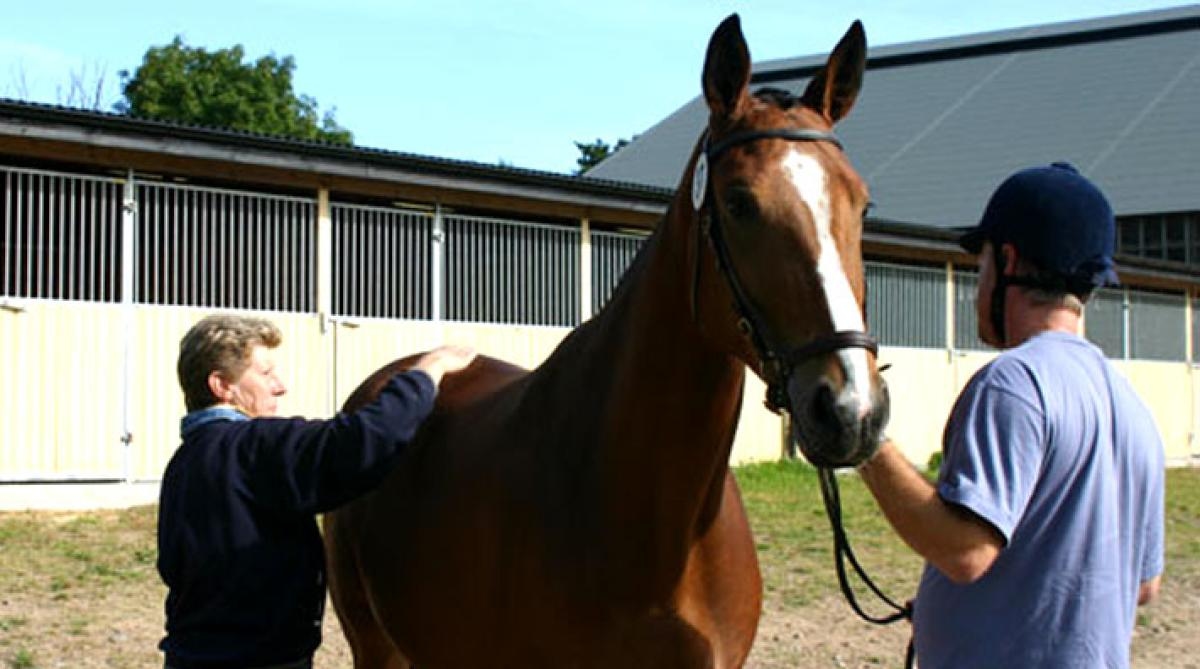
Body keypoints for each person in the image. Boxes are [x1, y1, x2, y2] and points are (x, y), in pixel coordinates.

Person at [856, 162, 1165, 668]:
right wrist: (974, 611)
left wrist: (865, 440)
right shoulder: (1131, 406)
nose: (976, 286)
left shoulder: (1013, 383)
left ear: (1009, 258)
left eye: (981, 266)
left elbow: (965, 551)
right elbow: (1144, 584)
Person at [157, 313, 476, 669]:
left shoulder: (183, 463)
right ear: (222, 386)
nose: (279, 386)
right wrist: (427, 371)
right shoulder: (255, 446)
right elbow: (364, 440)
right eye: (265, 374)